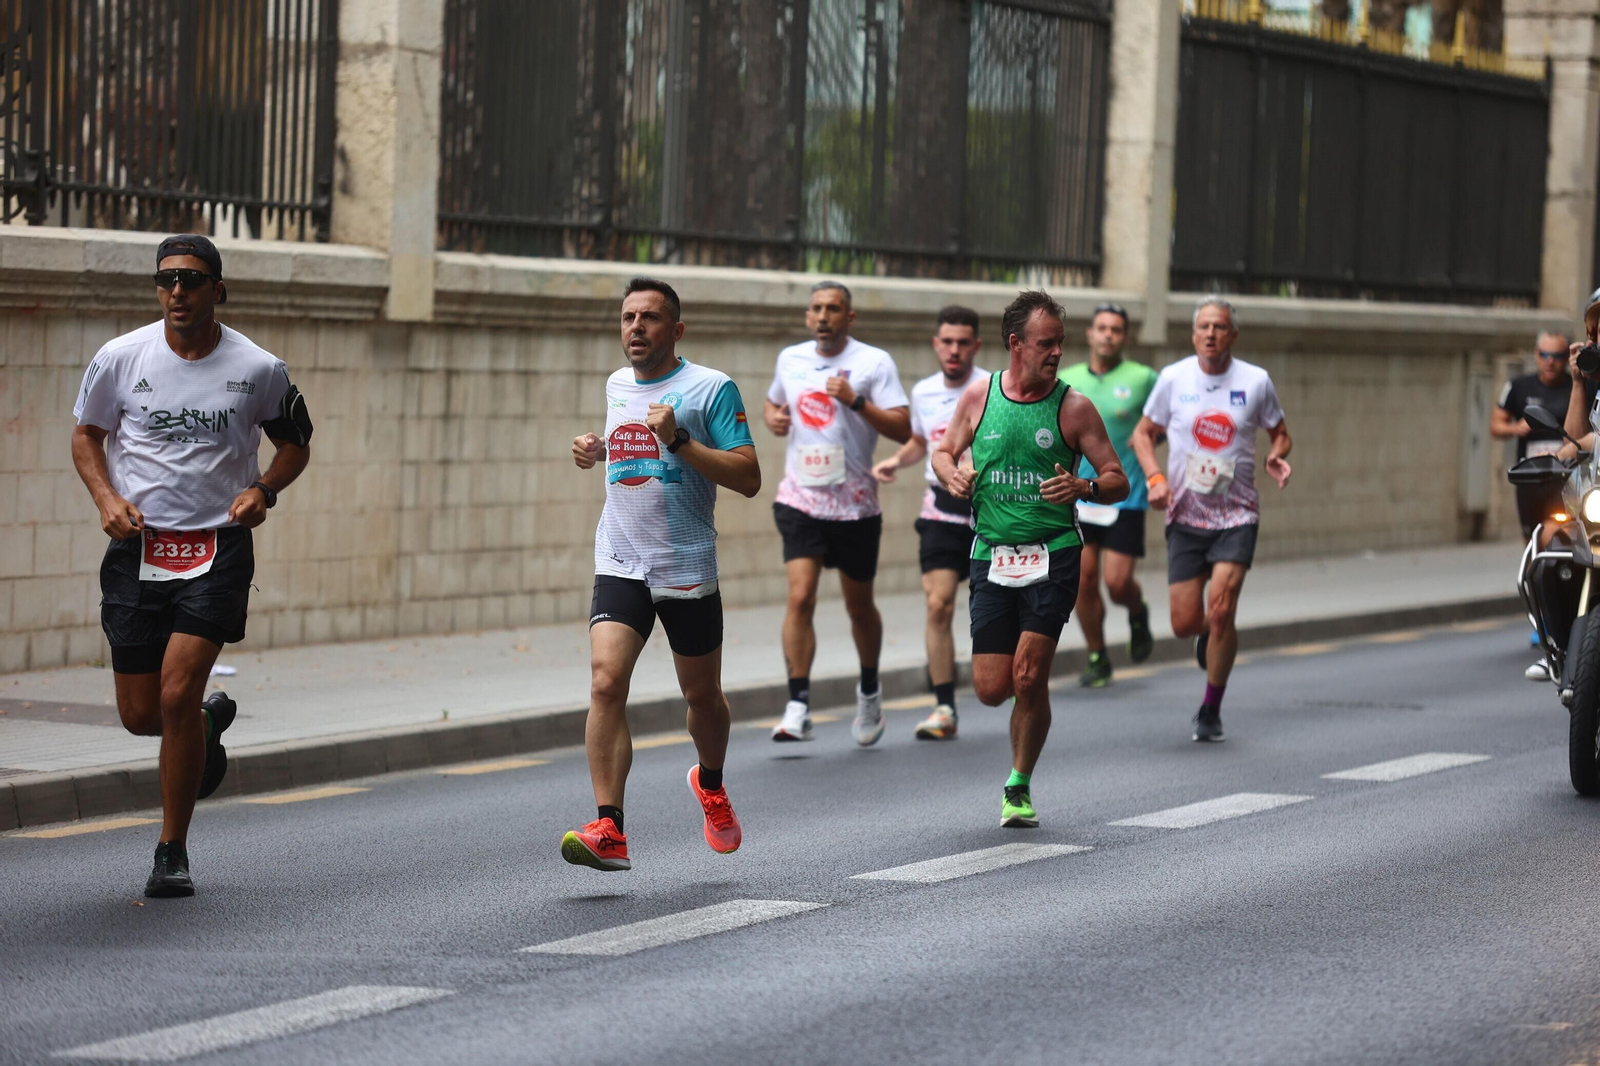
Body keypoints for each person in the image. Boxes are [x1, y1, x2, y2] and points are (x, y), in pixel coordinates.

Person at [70, 234, 313, 897]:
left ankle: (171, 850)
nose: (177, 291)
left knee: (176, 692)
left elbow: (295, 443)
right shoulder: (120, 359)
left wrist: (263, 490)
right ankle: (203, 726)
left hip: (217, 547)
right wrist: (105, 498)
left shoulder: (259, 368)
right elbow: (86, 435)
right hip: (138, 548)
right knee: (141, 714)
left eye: (192, 279)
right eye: (167, 279)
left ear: (218, 290)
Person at [565, 277, 761, 872]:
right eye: (627, 317)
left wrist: (678, 438)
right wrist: (598, 450)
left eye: (649, 318)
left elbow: (748, 476)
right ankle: (610, 827)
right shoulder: (617, 384)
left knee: (701, 695)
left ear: (675, 330)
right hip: (621, 557)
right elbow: (635, 450)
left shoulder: (712, 388)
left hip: (686, 561)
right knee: (605, 682)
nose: (635, 328)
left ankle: (712, 782)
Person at [934, 290, 1128, 827]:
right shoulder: (980, 396)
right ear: (1016, 344)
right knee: (993, 688)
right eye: (1046, 343)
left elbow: (1117, 479)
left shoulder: (1073, 406)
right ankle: (1028, 699)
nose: (1057, 353)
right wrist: (950, 471)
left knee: (1028, 672)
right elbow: (944, 449)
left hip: (1055, 554)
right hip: (992, 556)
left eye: (1061, 344)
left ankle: (1018, 784)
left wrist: (1084, 485)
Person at [1130, 297, 1291, 743]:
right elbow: (1142, 435)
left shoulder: (1256, 381)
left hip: (1237, 513)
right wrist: (1155, 477)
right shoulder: (1173, 379)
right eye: (1203, 326)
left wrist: (1277, 455)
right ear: (1193, 333)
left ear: (1233, 335)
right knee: (1185, 623)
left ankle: (1210, 708)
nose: (1211, 334)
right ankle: (1208, 637)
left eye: (1220, 327)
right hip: (1185, 514)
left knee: (1221, 611)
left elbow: (1280, 431)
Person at [764, 281, 911, 745]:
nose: (823, 316)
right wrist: (773, 418)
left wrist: (856, 400)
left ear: (849, 318)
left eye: (833, 309)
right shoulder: (790, 358)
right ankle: (798, 704)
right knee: (800, 597)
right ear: (808, 316)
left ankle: (869, 692)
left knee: (858, 606)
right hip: (801, 499)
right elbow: (773, 402)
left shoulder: (873, 363)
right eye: (816, 308)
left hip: (855, 506)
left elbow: (904, 426)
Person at [872, 306, 990, 739]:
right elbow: (922, 441)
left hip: (990, 511)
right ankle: (944, 708)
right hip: (941, 509)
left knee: (995, 608)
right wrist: (895, 461)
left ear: (976, 346)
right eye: (947, 342)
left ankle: (1016, 674)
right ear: (936, 345)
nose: (955, 350)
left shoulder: (991, 388)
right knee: (938, 603)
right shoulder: (922, 391)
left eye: (963, 342)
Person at [1058, 303, 1159, 687]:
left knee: (1117, 583)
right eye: (1101, 328)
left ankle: (1136, 609)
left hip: (1123, 494)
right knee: (1083, 580)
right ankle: (1097, 655)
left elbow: (1156, 427)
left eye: (1116, 329)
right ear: (1089, 333)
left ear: (1125, 337)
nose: (1107, 335)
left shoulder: (1144, 378)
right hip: (1079, 494)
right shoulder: (1066, 379)